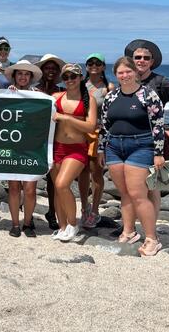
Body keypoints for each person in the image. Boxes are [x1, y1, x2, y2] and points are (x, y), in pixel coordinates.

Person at [98, 56, 165, 256]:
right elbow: (104, 126)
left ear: (135, 72)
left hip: (141, 146)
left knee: (138, 194)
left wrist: (158, 153)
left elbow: (158, 126)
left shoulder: (148, 95)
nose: (125, 75)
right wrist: (102, 149)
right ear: (115, 75)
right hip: (114, 147)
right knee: (124, 193)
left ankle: (152, 238)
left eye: (128, 71)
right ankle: (129, 231)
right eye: (120, 72)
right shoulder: (111, 97)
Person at [124, 39, 169, 219]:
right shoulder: (127, 80)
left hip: (155, 143)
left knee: (152, 188)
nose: (142, 60)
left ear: (152, 62)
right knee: (131, 187)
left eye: (146, 58)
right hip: (130, 141)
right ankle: (130, 227)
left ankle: (151, 230)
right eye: (138, 57)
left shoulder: (161, 82)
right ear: (131, 59)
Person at [50, 63, 97, 242]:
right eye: (66, 77)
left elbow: (90, 125)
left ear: (80, 78)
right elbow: (34, 102)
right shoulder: (56, 97)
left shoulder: (88, 99)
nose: (69, 80)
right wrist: (15, 91)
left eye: (73, 76)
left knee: (62, 184)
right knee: (57, 189)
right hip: (56, 148)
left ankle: (72, 223)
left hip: (76, 149)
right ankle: (62, 228)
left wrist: (66, 117)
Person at [4, 60, 43, 237]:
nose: (23, 76)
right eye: (19, 73)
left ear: (31, 77)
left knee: (29, 188)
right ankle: (14, 224)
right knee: (13, 187)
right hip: (12, 147)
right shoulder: (6, 94)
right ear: (14, 76)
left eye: (26, 74)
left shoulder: (39, 96)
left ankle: (27, 222)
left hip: (32, 147)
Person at [77, 53, 115, 229]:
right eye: (90, 63)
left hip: (98, 133)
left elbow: (111, 115)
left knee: (96, 172)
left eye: (97, 63)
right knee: (82, 171)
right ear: (86, 66)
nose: (94, 65)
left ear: (103, 67)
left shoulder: (109, 87)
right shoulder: (80, 85)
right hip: (81, 132)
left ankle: (95, 210)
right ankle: (84, 208)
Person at [35, 53, 66, 230]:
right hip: (36, 139)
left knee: (53, 180)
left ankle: (52, 212)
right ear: (42, 70)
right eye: (47, 68)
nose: (51, 71)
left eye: (54, 69)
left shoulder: (62, 91)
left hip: (54, 139)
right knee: (30, 178)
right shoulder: (33, 91)